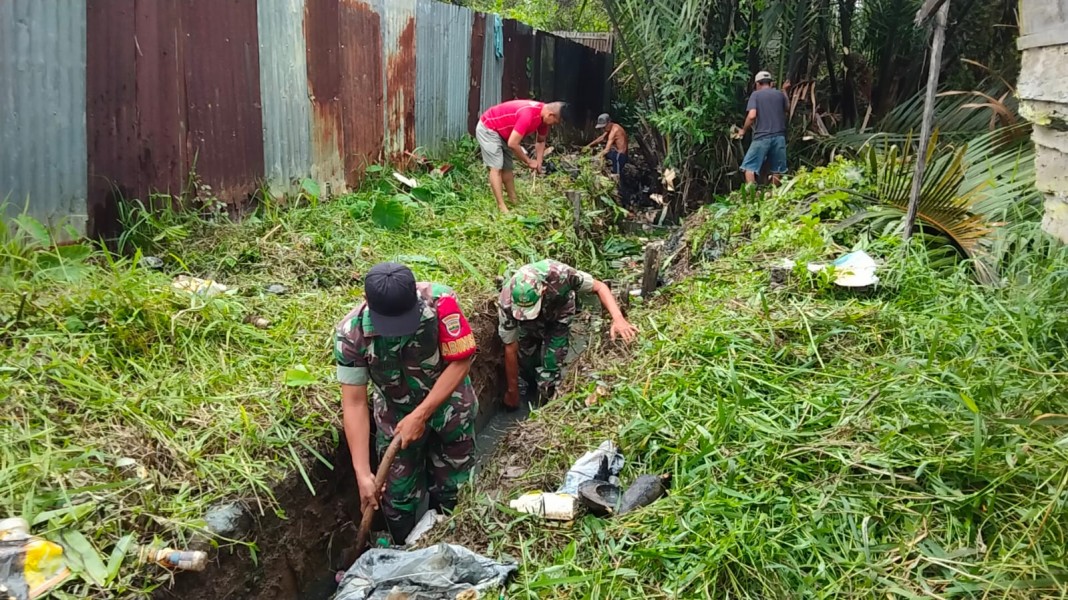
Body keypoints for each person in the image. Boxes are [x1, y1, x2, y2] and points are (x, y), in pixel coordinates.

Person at [335, 262, 478, 543]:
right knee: (397, 500)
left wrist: (421, 415)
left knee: (454, 490)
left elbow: (462, 360)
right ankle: (402, 548)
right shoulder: (351, 335)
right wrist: (363, 473)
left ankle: (451, 541)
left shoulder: (441, 303)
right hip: (395, 418)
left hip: (451, 409)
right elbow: (353, 404)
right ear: (368, 304)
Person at [498, 259, 638, 409]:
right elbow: (510, 347)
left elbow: (600, 287)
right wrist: (512, 391)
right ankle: (530, 385)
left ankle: (545, 403)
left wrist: (618, 319)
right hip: (528, 324)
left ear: (543, 290)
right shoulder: (506, 301)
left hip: (559, 315)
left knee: (551, 366)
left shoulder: (562, 274)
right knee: (526, 361)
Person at [476, 100, 565, 213]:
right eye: (554, 122)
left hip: (504, 133)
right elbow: (513, 144)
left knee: (507, 168)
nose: (552, 125)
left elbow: (541, 141)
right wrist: (528, 161)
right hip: (489, 127)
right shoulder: (528, 115)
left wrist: (539, 162)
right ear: (550, 115)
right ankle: (501, 207)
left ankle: (514, 201)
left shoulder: (543, 119)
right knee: (496, 167)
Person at [733, 70, 792, 185]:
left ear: (757, 84)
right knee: (777, 169)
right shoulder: (779, 94)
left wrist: (743, 130)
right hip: (779, 137)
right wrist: (784, 90)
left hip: (762, 137)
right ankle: (774, 198)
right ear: (770, 83)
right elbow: (787, 108)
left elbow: (752, 115)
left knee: (749, 167)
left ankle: (752, 196)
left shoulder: (756, 95)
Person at [585, 113, 629, 177]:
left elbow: (606, 150)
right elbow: (601, 138)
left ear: (609, 122)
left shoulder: (614, 131)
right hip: (617, 153)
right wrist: (588, 146)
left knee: (616, 175)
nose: (603, 129)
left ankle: (620, 184)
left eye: (604, 127)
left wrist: (595, 158)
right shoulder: (611, 127)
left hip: (620, 156)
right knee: (605, 153)